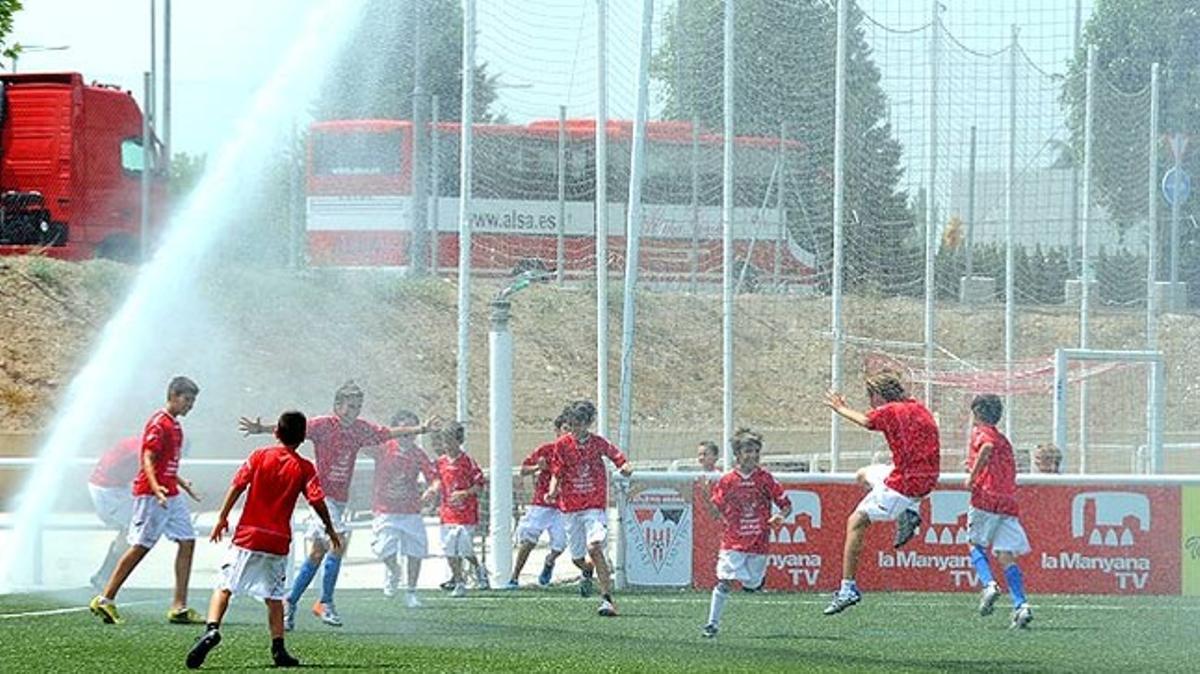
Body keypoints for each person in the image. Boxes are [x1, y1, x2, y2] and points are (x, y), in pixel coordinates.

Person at [238, 380, 437, 629]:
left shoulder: (360, 429)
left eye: (358, 407)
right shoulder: (323, 425)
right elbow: (292, 429)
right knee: (339, 540)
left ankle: (290, 602)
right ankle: (325, 602)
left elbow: (386, 433)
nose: (354, 411)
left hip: (339, 500)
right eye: (350, 406)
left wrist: (421, 429)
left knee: (317, 552)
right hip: (321, 495)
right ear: (337, 405)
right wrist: (262, 429)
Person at [185, 410, 342, 669]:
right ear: (303, 438)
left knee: (225, 587)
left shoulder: (259, 456)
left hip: (249, 536)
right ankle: (279, 649)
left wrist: (222, 517)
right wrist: (330, 529)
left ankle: (211, 630)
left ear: (277, 432)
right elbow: (316, 500)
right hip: (278, 542)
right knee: (274, 597)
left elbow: (237, 485)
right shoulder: (304, 467)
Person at [823, 370, 940, 615]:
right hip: (926, 481)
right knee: (863, 474)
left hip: (904, 484)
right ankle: (909, 511)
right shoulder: (919, 408)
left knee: (856, 521)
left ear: (878, 395)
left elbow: (867, 422)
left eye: (871, 397)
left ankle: (847, 589)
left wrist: (840, 408)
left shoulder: (891, 410)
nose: (870, 404)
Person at [90, 376, 204, 625]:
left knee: (187, 541)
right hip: (152, 496)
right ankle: (105, 598)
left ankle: (179, 606)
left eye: (193, 401)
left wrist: (184, 486)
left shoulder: (175, 426)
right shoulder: (158, 424)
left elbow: (166, 466)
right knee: (141, 545)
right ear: (173, 396)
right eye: (187, 399)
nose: (190, 405)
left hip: (170, 494)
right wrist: (156, 488)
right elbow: (148, 460)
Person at [545, 399, 633, 617]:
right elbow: (557, 472)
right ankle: (587, 570)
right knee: (577, 558)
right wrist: (553, 491)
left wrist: (625, 467)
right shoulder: (562, 445)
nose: (575, 428)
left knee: (594, 547)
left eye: (579, 424)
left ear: (587, 423)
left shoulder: (598, 443)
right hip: (570, 507)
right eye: (572, 424)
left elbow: (617, 457)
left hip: (594, 506)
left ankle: (607, 600)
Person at [701, 428, 791, 638]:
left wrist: (781, 516)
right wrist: (706, 497)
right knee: (724, 580)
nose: (753, 456)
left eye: (756, 451)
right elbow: (716, 513)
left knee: (752, 584)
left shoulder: (765, 478)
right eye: (748, 451)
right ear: (738, 454)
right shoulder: (727, 481)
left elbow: (786, 504)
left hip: (759, 542)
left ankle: (757, 582)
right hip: (733, 541)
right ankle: (712, 624)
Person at [963, 394, 1033, 629]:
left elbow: (986, 448)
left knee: (975, 544)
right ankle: (1021, 606)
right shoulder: (1004, 439)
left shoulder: (981, 432)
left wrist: (972, 477)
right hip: (1008, 501)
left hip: (987, 498)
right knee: (1005, 553)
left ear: (977, 413)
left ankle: (989, 584)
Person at [368, 409, 439, 608]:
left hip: (410, 511)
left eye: (412, 430)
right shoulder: (383, 448)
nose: (408, 434)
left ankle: (411, 592)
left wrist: (432, 490)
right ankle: (393, 570)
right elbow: (362, 444)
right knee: (383, 549)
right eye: (403, 429)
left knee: (415, 551)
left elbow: (434, 478)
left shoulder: (418, 454)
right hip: (385, 509)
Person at [506, 413, 571, 590]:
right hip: (541, 504)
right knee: (528, 540)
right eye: (565, 429)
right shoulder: (546, 450)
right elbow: (523, 470)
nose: (569, 433)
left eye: (571, 429)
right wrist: (537, 467)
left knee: (560, 544)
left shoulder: (576, 453)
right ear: (557, 431)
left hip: (564, 506)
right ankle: (514, 577)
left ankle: (549, 561)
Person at [431, 422, 487, 597]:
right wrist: (432, 491)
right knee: (449, 549)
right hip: (447, 513)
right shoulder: (439, 462)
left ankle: (479, 570)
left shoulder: (468, 462)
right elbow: (437, 481)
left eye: (451, 441)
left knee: (464, 549)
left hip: (466, 514)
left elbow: (480, 486)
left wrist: (464, 493)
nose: (447, 445)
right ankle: (459, 581)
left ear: (459, 441)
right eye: (444, 441)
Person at [86, 436, 141, 591]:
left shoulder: (140, 442)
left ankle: (105, 576)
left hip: (115, 487)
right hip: (107, 489)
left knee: (133, 530)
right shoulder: (144, 449)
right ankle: (105, 576)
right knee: (134, 530)